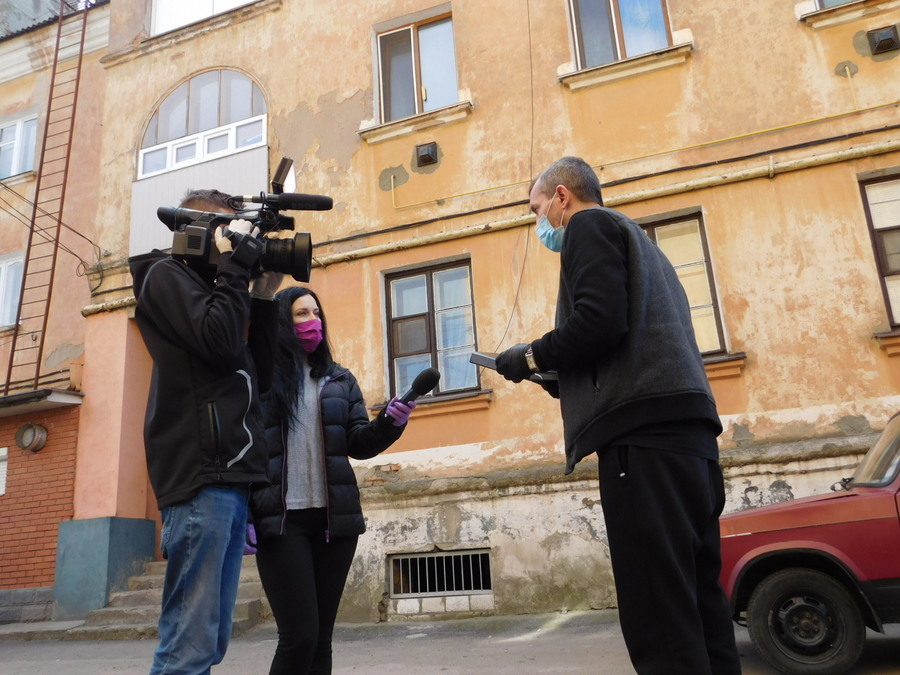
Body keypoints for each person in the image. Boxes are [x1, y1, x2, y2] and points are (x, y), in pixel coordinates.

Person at [494, 157, 741, 674]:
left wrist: (531, 356)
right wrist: (560, 379)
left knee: (660, 618)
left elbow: (598, 321)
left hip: (643, 447)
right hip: (690, 441)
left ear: (562, 197)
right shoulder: (644, 247)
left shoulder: (588, 224)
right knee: (700, 605)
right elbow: (625, 341)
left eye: (538, 211)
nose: (540, 224)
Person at [129, 189, 283, 674]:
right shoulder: (163, 276)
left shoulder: (222, 292)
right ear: (193, 230)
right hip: (200, 475)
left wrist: (262, 296)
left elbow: (258, 375)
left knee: (209, 642)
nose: (233, 242)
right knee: (188, 647)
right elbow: (218, 343)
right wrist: (236, 270)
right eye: (226, 231)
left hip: (228, 479)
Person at [250, 285, 416, 674]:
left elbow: (357, 443)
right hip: (282, 522)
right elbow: (249, 450)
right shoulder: (262, 382)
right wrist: (246, 511)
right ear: (282, 324)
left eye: (315, 313)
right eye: (301, 314)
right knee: (298, 637)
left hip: (334, 524)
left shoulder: (339, 379)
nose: (312, 322)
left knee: (321, 640)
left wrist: (390, 423)